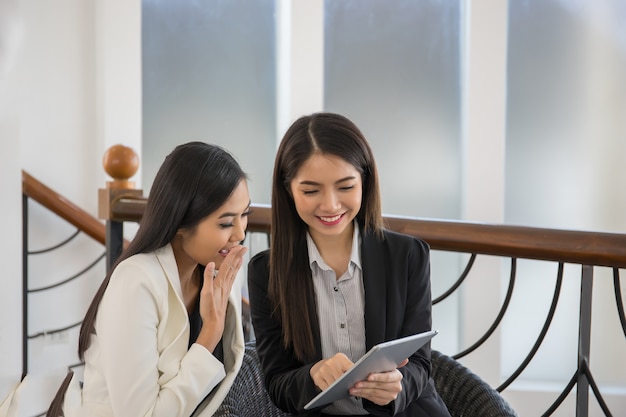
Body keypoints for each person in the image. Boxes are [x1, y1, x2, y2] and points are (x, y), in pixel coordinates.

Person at [248, 112, 451, 417]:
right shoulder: (266, 272)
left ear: (365, 182)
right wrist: (313, 375)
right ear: (288, 190)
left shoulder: (407, 256)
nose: (330, 205)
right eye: (311, 190)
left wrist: (397, 386)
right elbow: (277, 382)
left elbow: (420, 364)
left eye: (345, 187)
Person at [48, 142, 250, 417]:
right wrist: (209, 334)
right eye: (226, 223)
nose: (239, 233)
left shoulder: (218, 275)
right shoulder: (136, 282)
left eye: (245, 215)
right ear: (180, 222)